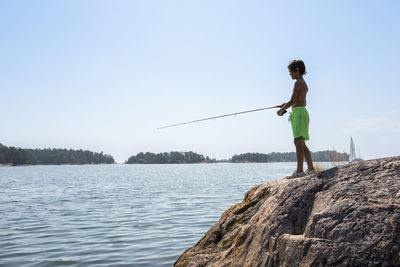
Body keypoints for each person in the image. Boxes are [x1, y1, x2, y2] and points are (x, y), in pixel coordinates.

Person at [277, 60, 315, 178]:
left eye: (290, 72)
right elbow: (299, 101)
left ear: (297, 70)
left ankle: (299, 171)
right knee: (301, 142)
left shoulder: (298, 82)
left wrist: (281, 110)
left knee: (298, 142)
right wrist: (285, 105)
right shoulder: (303, 83)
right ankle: (311, 169)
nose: (290, 74)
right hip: (301, 111)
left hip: (298, 113)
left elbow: (293, 100)